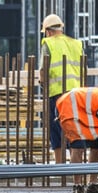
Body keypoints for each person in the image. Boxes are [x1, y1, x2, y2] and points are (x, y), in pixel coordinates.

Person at [39, 14, 83, 164]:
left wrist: (43, 83)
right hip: (76, 94)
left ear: (49, 31)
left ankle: (60, 167)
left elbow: (43, 69)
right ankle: (75, 169)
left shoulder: (48, 43)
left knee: (56, 130)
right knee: (73, 130)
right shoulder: (76, 43)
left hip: (57, 93)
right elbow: (83, 67)